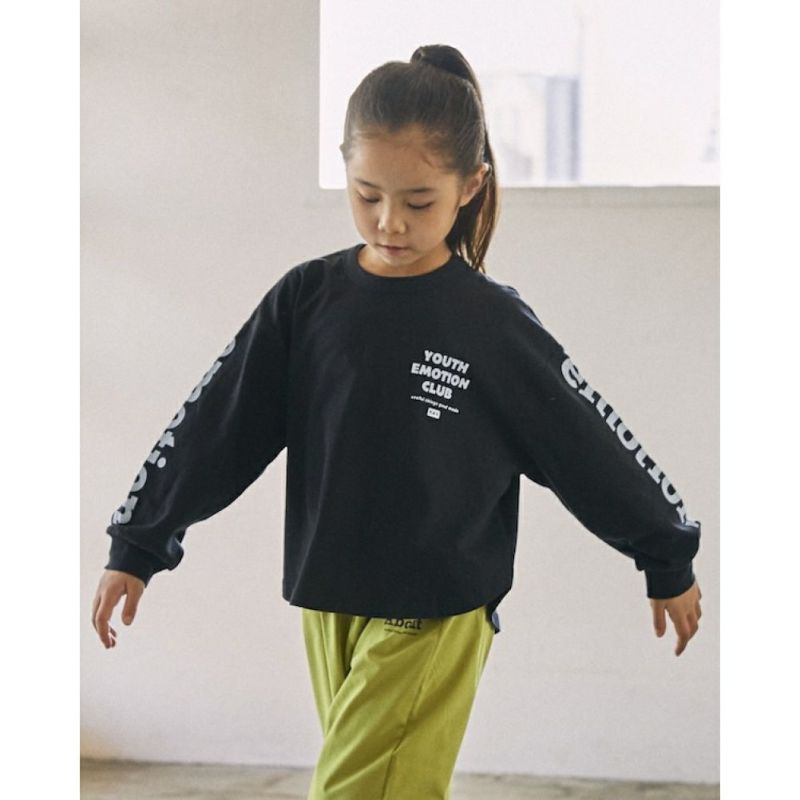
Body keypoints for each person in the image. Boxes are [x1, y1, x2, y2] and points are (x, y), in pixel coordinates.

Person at [91, 44, 703, 800]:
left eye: (418, 202)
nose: (390, 222)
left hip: (435, 605)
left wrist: (665, 552)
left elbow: (586, 441)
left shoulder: (490, 324)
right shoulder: (306, 301)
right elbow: (216, 423)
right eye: (367, 194)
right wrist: (139, 540)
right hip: (329, 597)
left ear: (470, 186)